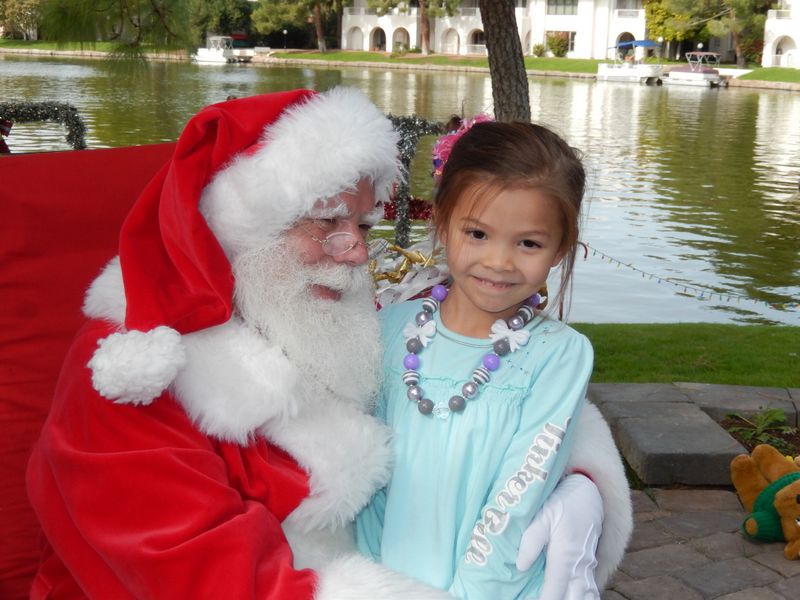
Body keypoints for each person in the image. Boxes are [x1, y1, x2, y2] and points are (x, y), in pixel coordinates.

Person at [26, 87, 630, 599]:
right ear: (245, 223)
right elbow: (197, 569)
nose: (356, 253)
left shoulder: (313, 306)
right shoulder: (134, 367)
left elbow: (486, 393)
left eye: (363, 226)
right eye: (326, 222)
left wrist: (580, 479)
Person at [357, 118, 629, 599]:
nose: (500, 262)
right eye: (478, 234)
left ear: (561, 248)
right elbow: (366, 472)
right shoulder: (390, 329)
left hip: (494, 586)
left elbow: (515, 498)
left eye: (528, 242)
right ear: (442, 222)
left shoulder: (560, 356)